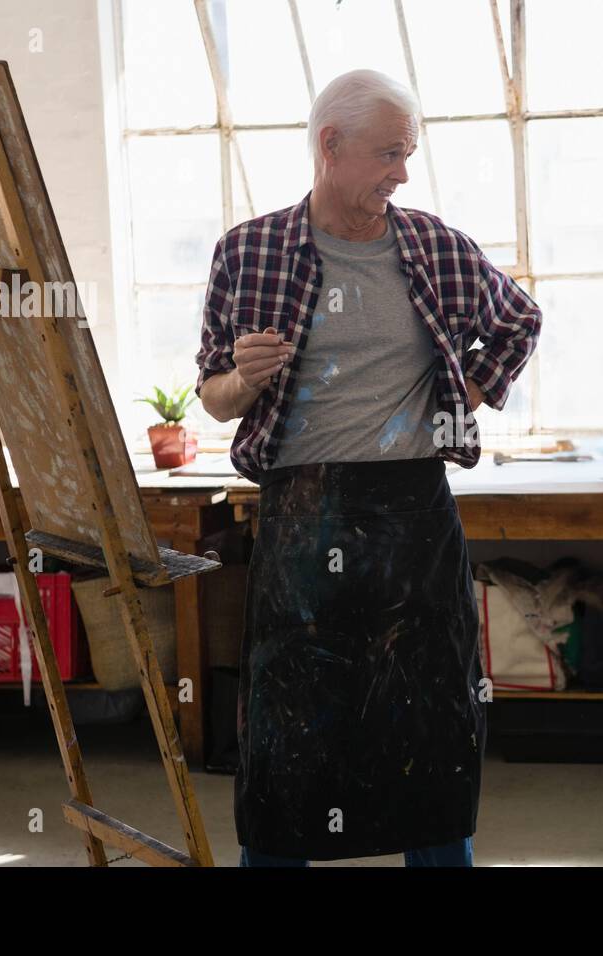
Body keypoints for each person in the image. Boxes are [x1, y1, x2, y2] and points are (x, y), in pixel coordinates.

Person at [195, 69, 542, 867]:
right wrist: (244, 379)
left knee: (431, 722)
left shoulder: (433, 246)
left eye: (407, 154)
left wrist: (468, 396)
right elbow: (214, 398)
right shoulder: (249, 252)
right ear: (330, 146)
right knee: (289, 734)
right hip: (298, 516)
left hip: (413, 512)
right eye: (389, 153)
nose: (401, 173)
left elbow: (519, 318)